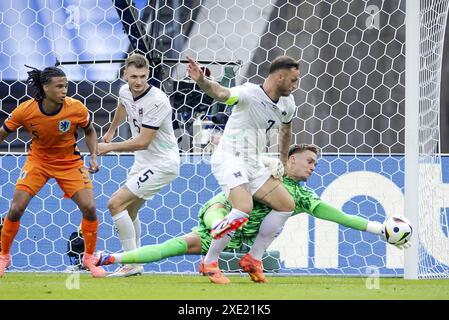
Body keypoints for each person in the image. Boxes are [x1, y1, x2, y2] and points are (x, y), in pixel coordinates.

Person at [95, 144, 391, 284]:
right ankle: (221, 243)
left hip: (233, 235)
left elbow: (340, 217)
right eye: (309, 161)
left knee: (167, 249)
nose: (313, 168)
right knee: (222, 221)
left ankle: (109, 258)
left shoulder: (303, 197)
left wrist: (381, 230)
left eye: (316, 164)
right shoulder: (265, 169)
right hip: (221, 209)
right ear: (290, 160)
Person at [186, 55, 299, 278]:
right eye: (293, 80)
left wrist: (284, 161)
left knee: (286, 205)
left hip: (253, 162)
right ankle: (209, 263)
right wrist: (201, 81)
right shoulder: (248, 93)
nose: (296, 85)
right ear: (279, 77)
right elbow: (221, 93)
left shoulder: (288, 103)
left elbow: (286, 131)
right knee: (243, 208)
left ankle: (253, 259)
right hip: (230, 158)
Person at [0, 66, 105, 277]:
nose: (64, 90)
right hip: (38, 161)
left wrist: (94, 156)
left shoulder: (76, 108)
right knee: (16, 208)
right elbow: (3, 132)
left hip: (69, 163)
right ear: (45, 88)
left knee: (90, 208)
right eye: (59, 86)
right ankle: (3, 256)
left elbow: (90, 131)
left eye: (66, 85)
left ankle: (89, 258)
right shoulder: (25, 110)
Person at [97, 53, 180, 277]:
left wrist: (109, 147)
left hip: (163, 162)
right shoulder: (125, 90)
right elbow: (123, 105)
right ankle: (135, 262)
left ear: (149, 74)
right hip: (144, 162)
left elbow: (143, 142)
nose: (138, 81)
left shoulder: (158, 100)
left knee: (115, 204)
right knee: (129, 210)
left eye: (143, 76)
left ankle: (131, 262)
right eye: (133, 76)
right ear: (125, 73)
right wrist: (112, 130)